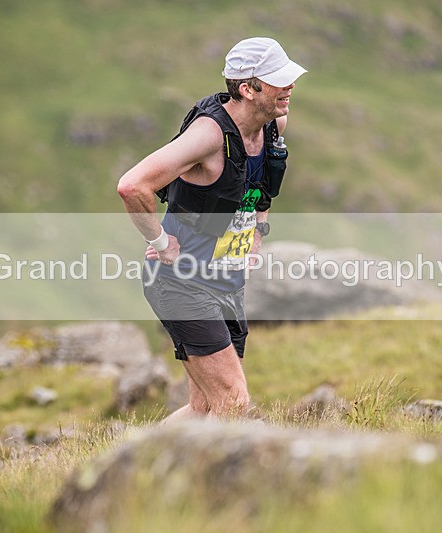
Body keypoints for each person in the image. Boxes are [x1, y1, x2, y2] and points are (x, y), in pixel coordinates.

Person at [117, 37, 306, 421]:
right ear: (247, 89)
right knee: (233, 401)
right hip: (181, 281)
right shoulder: (207, 137)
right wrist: (160, 242)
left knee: (203, 407)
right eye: (277, 80)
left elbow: (260, 187)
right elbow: (132, 185)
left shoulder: (273, 124)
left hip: (226, 280)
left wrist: (258, 232)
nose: (289, 87)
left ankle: (133, 469)